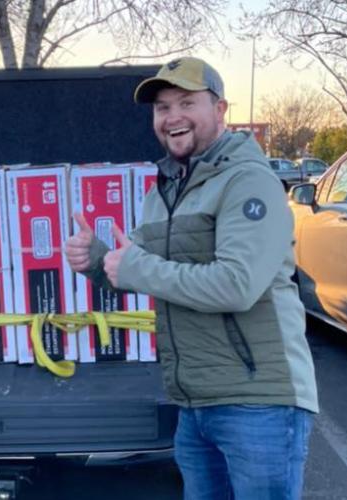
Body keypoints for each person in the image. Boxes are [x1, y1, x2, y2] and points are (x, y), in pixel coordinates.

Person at [64, 57, 318, 499]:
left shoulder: (248, 182)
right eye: (162, 107)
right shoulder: (161, 192)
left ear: (220, 110)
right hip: (193, 404)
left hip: (258, 404)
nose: (172, 116)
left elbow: (236, 284)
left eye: (187, 102)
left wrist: (136, 267)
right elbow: (139, 269)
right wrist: (96, 260)